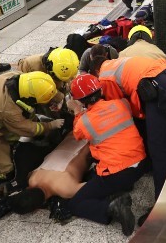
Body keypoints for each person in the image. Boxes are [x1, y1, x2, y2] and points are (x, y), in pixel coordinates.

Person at [95, 56, 166, 224]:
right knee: (147, 129)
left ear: (94, 71)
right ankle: (149, 165)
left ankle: (162, 206)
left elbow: (119, 108)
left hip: (156, 88)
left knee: (158, 147)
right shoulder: (115, 62)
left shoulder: (104, 78)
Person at [64, 74, 144, 235]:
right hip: (140, 164)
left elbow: (77, 134)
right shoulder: (121, 104)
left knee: (75, 203)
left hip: (117, 172)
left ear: (80, 100)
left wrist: (77, 110)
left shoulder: (84, 122)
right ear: (100, 91)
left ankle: (112, 208)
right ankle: (120, 189)